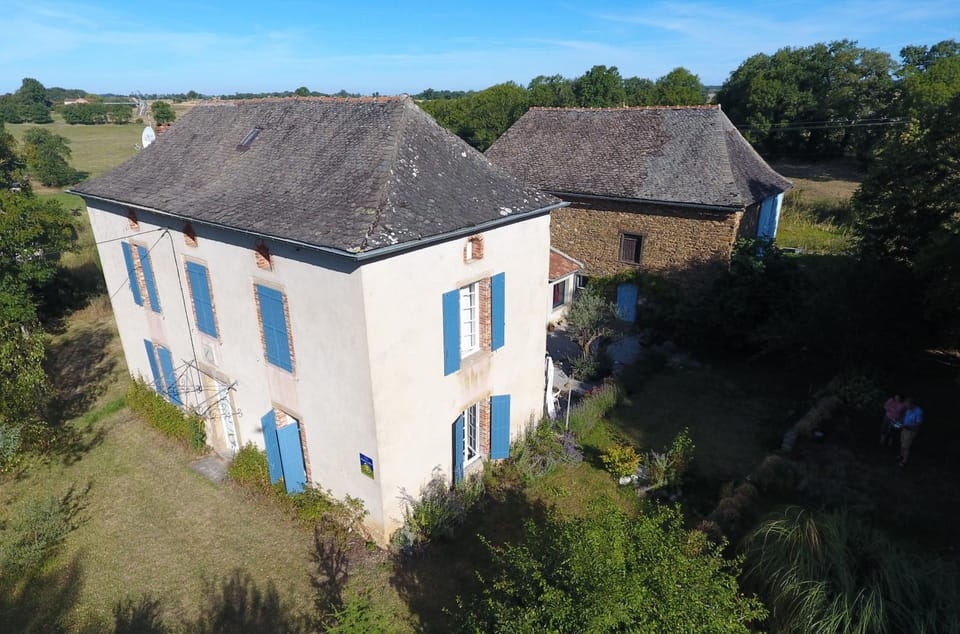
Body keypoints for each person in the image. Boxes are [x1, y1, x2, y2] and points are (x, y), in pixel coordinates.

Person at [898, 398, 923, 467]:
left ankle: (904, 461)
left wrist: (906, 425)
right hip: (904, 428)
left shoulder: (919, 411)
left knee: (906, 446)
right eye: (905, 404)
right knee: (902, 443)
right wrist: (900, 422)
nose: (906, 406)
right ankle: (901, 456)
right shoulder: (908, 409)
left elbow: (918, 424)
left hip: (911, 431)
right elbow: (905, 417)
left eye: (907, 404)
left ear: (912, 404)